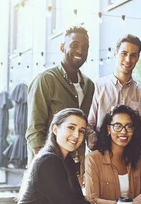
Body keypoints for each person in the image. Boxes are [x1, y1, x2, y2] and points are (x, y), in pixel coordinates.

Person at [26, 25, 94, 164]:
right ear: (62, 48)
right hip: (48, 164)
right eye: (74, 45)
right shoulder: (46, 79)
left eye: (85, 47)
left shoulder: (89, 85)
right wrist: (46, 164)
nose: (80, 51)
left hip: (75, 165)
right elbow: (35, 130)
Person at [87, 34, 141, 150]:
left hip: (130, 159)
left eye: (133, 55)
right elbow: (88, 124)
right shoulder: (97, 87)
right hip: (99, 155)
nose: (128, 59)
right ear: (115, 53)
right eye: (124, 53)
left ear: (138, 58)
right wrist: (99, 149)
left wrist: (134, 154)